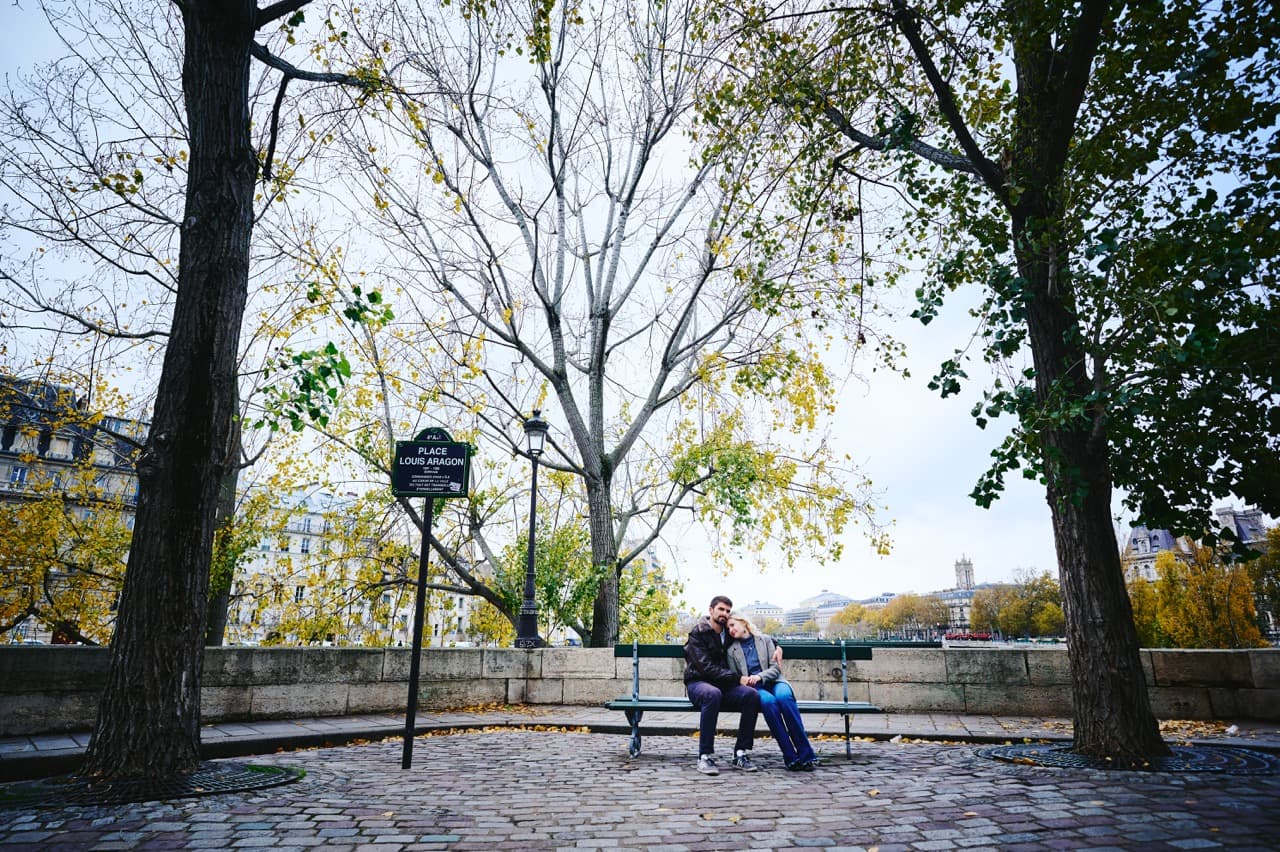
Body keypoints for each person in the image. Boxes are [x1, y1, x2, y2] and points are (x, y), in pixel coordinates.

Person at [726, 612, 818, 771]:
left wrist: (759, 676)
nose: (730, 630)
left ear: (743, 622)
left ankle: (806, 754)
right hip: (754, 688)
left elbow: (776, 669)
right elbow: (736, 676)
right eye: (728, 628)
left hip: (775, 681)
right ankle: (790, 756)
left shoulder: (766, 640)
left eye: (732, 625)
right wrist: (748, 680)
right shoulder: (731, 650)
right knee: (769, 703)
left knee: (784, 698)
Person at [683, 595, 762, 775]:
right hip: (699, 683)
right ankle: (705, 756)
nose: (724, 614)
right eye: (721, 609)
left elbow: (754, 637)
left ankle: (741, 753)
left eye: (727, 611)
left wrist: (777, 644)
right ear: (711, 610)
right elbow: (706, 668)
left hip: (722, 685)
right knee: (712, 694)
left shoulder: (729, 634)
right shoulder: (698, 632)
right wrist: (737, 678)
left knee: (751, 695)